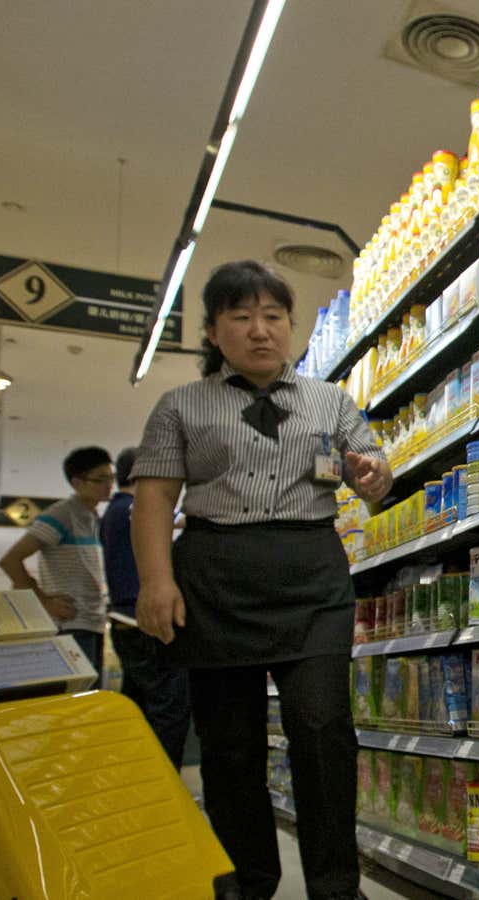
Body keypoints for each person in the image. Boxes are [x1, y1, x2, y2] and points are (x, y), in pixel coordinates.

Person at [131, 260, 392, 900]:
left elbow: (376, 473)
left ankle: (335, 886)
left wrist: (374, 477)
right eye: (241, 317)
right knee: (229, 744)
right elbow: (155, 500)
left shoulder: (329, 401)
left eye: (273, 316)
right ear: (214, 332)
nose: (259, 330)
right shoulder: (180, 406)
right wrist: (155, 582)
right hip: (215, 574)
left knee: (324, 728)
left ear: (289, 326)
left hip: (311, 574)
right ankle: (250, 880)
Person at [101, 445, 191, 764]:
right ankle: (164, 787)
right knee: (170, 709)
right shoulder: (136, 507)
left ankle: (134, 783)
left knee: (138, 707)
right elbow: (188, 519)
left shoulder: (113, 511)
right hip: (144, 622)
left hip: (124, 621)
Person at [0, 446, 114, 680]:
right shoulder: (62, 514)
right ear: (77, 482)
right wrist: (43, 600)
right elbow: (10, 561)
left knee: (90, 694)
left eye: (111, 478)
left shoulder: (92, 517)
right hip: (71, 623)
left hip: (92, 621)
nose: (108, 485)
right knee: (77, 694)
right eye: (100, 479)